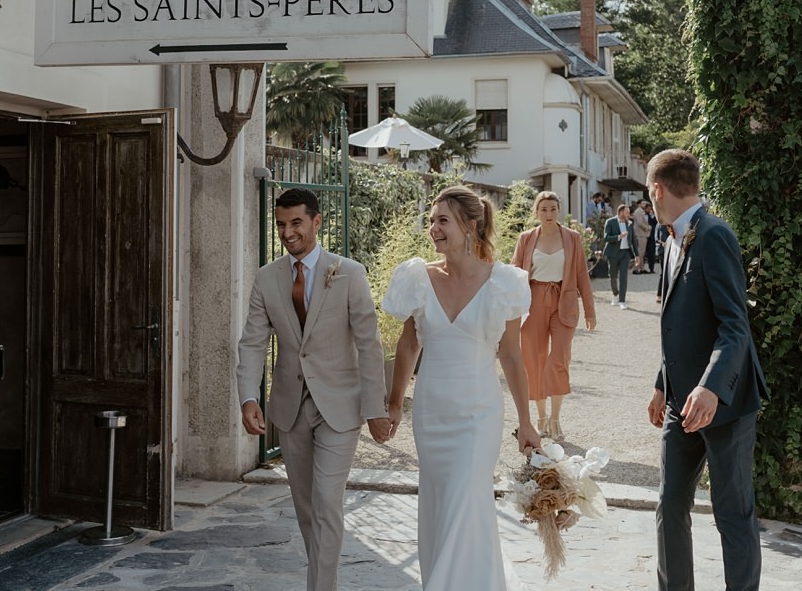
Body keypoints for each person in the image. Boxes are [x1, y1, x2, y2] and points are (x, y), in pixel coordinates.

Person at [383, 185, 541, 590]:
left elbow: (511, 355)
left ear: (471, 225)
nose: (433, 228)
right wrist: (395, 403)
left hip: (478, 414)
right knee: (439, 505)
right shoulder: (418, 278)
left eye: (443, 220)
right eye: (432, 219)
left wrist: (527, 421)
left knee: (466, 498)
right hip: (432, 411)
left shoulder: (504, 282)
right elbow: (408, 344)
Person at [236, 187, 392, 591]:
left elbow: (368, 344)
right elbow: (253, 340)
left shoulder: (349, 272)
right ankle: (320, 578)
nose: (288, 232)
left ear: (317, 221)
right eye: (281, 225)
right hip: (290, 409)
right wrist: (248, 397)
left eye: (296, 223)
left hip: (339, 405)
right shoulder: (267, 278)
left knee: (326, 502)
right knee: (306, 508)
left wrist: (376, 407)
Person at [645, 149, 770, 591]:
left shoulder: (714, 235)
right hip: (680, 401)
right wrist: (663, 384)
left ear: (657, 188)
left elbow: (735, 325)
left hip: (725, 403)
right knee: (669, 503)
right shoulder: (669, 239)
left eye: (649, 191)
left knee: (732, 512)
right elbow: (677, 322)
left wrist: (711, 389)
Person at [510, 191, 597, 440]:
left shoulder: (572, 238)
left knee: (559, 359)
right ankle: (540, 417)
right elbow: (514, 274)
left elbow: (582, 275)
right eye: (544, 209)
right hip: (533, 301)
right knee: (534, 361)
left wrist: (590, 311)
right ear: (536, 212)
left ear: (559, 211)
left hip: (563, 301)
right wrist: (508, 310)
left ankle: (556, 418)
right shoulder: (526, 239)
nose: (548, 214)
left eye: (553, 209)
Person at [603, 203, 638, 309]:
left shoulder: (630, 223)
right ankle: (615, 294)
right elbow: (606, 238)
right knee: (613, 276)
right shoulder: (610, 222)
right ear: (621, 212)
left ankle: (622, 301)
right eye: (627, 212)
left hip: (625, 253)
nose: (629, 214)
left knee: (624, 277)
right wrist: (619, 237)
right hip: (613, 253)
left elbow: (633, 240)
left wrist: (637, 255)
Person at [631, 199, 654, 274]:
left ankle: (641, 268)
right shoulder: (638, 212)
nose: (644, 205)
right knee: (640, 252)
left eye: (645, 203)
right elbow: (640, 223)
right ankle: (636, 268)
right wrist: (647, 228)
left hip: (642, 234)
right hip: (640, 234)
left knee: (642, 252)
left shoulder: (641, 211)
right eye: (643, 203)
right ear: (639, 204)